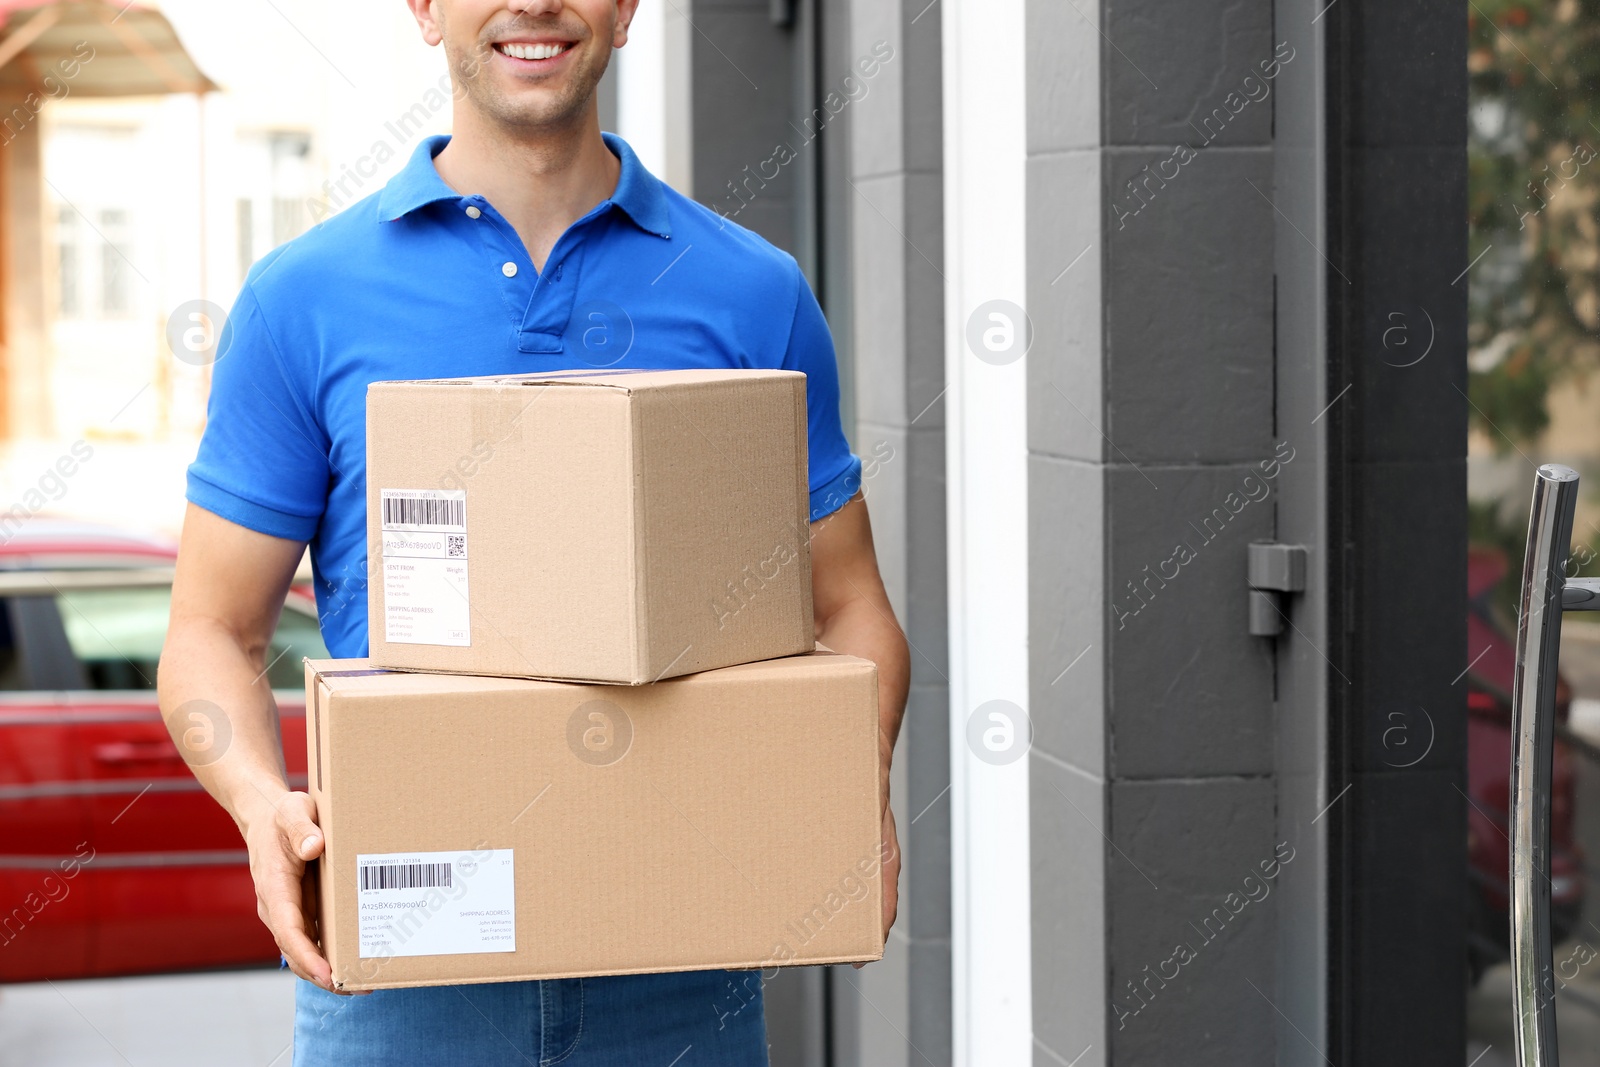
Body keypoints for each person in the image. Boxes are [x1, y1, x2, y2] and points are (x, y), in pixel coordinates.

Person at [156, 0, 909, 1063]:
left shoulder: (751, 292)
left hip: (680, 967)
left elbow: (851, 607)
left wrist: (849, 780)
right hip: (404, 982)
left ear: (628, 8)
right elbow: (209, 633)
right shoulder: (303, 300)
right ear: (423, 8)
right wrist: (259, 804)